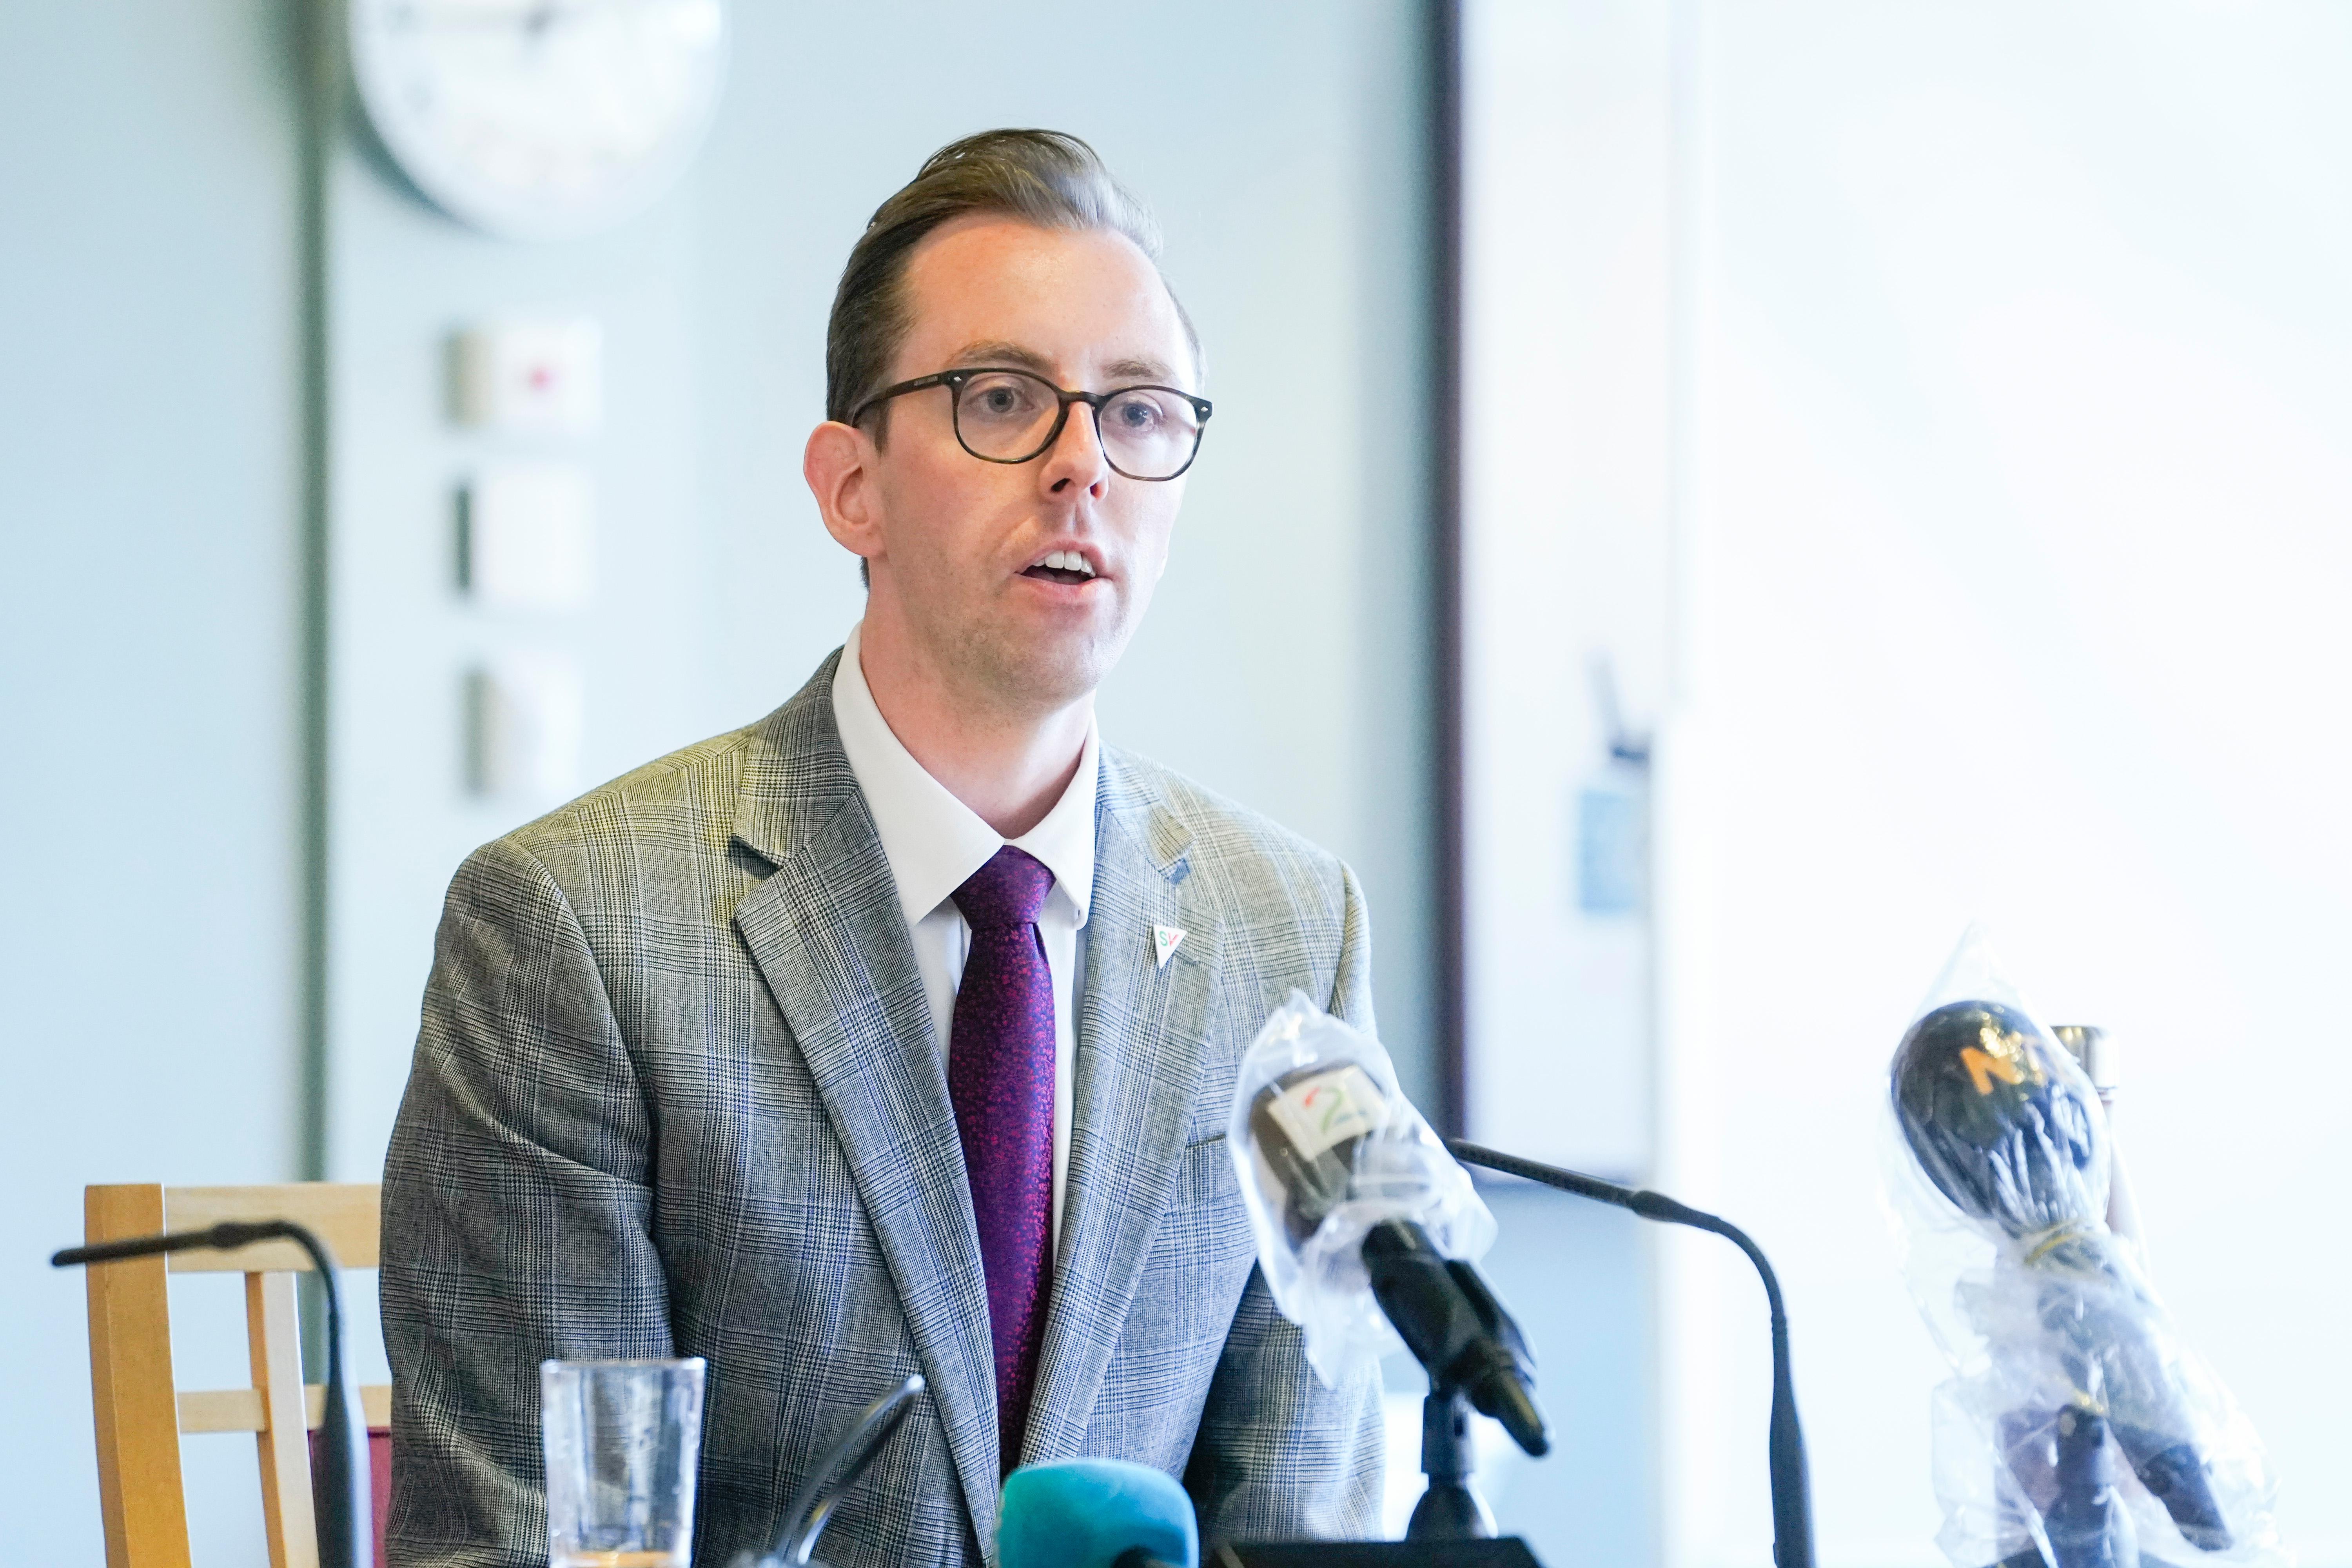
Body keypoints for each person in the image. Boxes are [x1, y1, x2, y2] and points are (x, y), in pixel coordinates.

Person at [381, 129, 1385, 1568]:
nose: (1080, 467)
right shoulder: (574, 929)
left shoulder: (1287, 929)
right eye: (1000, 400)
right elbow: (526, 1540)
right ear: (851, 485)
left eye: (1141, 414)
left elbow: (1302, 1521)